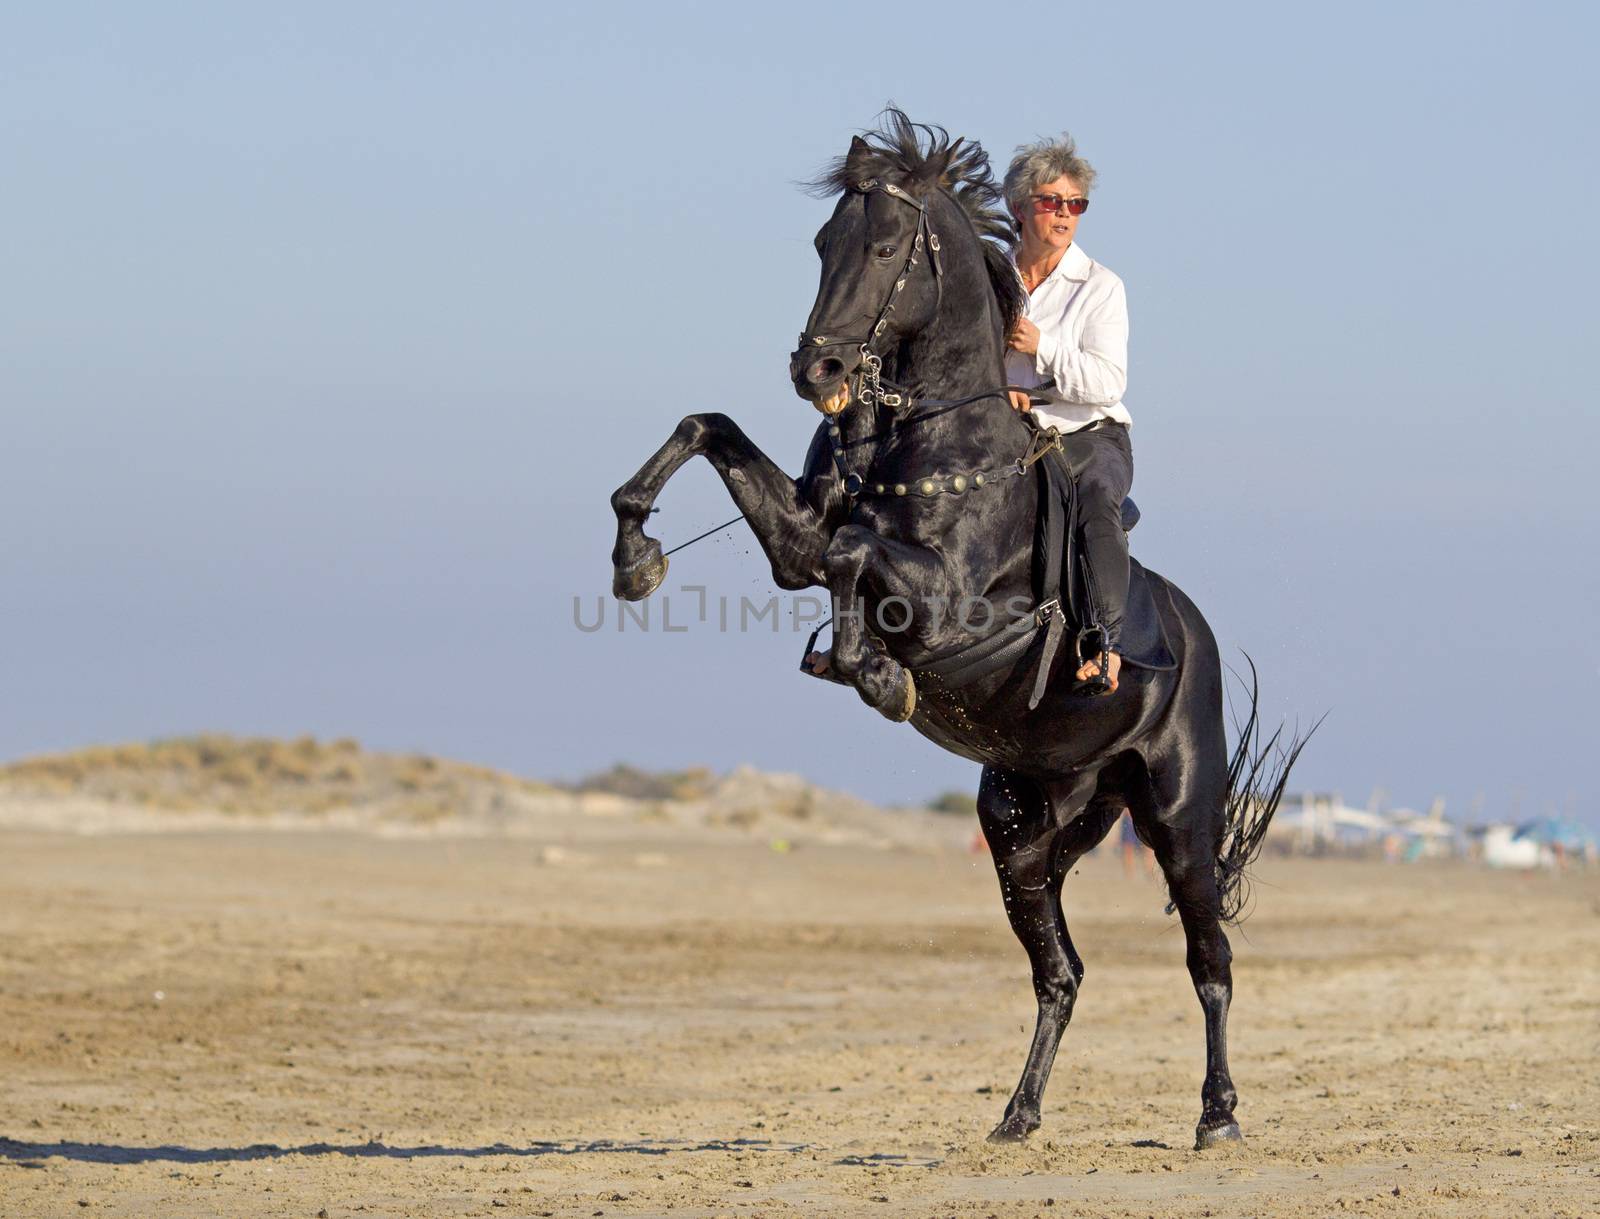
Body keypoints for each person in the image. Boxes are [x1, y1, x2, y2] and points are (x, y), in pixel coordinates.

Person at [1002, 134, 1132, 694]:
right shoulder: (989, 277)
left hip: (1089, 436)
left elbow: (1108, 381)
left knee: (1093, 507)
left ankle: (1105, 645)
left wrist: (1041, 348)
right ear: (1019, 208)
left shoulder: (1101, 286)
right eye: (1051, 201)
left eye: (1075, 204)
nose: (1063, 214)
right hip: (1008, 434)